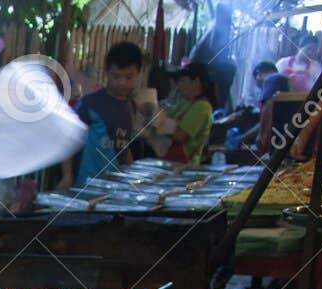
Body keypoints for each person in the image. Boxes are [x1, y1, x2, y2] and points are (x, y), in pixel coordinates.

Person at [59, 41, 145, 188]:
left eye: (129, 77)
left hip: (115, 188)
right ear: (107, 73)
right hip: (85, 184)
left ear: (138, 73)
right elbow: (67, 139)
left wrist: (131, 178)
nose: (122, 83)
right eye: (116, 76)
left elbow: (125, 147)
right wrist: (67, 176)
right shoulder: (89, 104)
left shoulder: (132, 107)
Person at [155, 61, 216, 164]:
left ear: (196, 82)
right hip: (171, 162)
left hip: (185, 166)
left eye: (182, 81)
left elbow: (180, 136)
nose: (179, 85)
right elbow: (167, 114)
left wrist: (158, 122)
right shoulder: (185, 103)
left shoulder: (202, 107)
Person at [189, 2, 238, 110]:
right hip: (206, 68)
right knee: (229, 70)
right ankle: (218, 107)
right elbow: (217, 54)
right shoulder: (220, 28)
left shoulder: (213, 25)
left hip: (202, 66)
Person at [252, 60, 291, 153]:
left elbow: (269, 105)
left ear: (258, 74)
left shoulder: (272, 79)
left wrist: (263, 135)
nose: (261, 88)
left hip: (280, 137)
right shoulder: (282, 80)